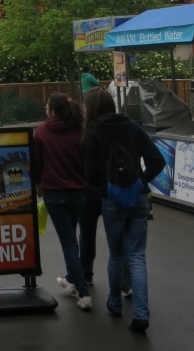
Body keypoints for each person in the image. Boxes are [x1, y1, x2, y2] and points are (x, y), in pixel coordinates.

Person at [85, 93, 166, 334]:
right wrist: (140, 181)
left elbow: (90, 175)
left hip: (112, 201)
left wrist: (107, 188)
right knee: (137, 256)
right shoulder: (132, 126)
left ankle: (115, 302)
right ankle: (141, 313)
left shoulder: (92, 133)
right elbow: (157, 161)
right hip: (139, 198)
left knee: (116, 255)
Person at [33, 93, 91, 310]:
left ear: (53, 111)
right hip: (77, 193)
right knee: (71, 239)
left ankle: (83, 291)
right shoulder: (79, 131)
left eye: (47, 108)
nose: (46, 111)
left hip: (53, 193)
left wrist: (39, 184)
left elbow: (37, 164)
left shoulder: (41, 133)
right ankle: (71, 278)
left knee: (68, 242)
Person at [79, 88, 130, 292]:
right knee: (119, 239)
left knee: (87, 234)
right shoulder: (127, 126)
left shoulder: (90, 132)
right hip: (118, 189)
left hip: (93, 191)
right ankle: (126, 283)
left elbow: (89, 168)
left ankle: (86, 273)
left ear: (90, 108)